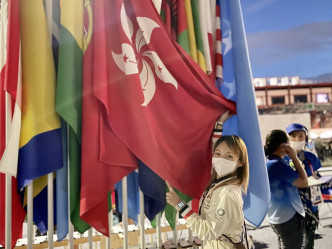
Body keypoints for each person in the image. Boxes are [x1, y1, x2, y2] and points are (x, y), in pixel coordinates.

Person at [166, 112, 250, 249]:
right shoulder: (219, 180)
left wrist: (180, 205)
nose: (221, 159)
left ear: (240, 162)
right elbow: (215, 146)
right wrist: (220, 123)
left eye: (229, 156)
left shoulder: (227, 193)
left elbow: (209, 231)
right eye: (218, 154)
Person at [265, 129, 308, 249]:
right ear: (283, 146)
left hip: (276, 215)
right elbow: (304, 182)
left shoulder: (268, 162)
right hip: (288, 217)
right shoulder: (277, 165)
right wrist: (294, 157)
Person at [286, 123, 322, 249]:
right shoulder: (284, 159)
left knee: (309, 239)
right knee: (293, 241)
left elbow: (317, 174)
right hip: (291, 206)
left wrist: (318, 178)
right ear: (288, 139)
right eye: (293, 136)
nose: (297, 139)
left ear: (306, 138)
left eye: (301, 136)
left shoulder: (311, 157)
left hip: (311, 203)